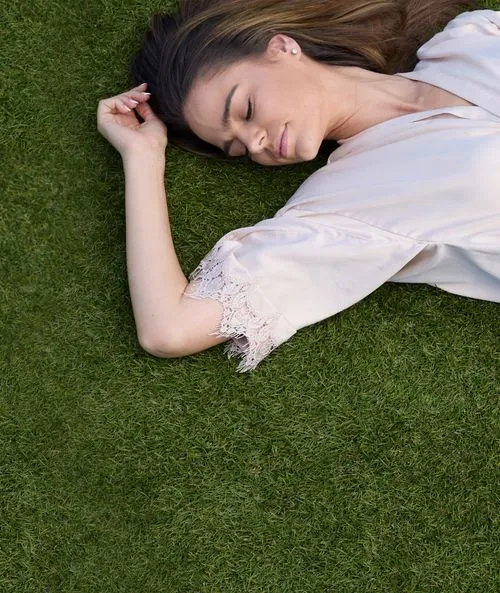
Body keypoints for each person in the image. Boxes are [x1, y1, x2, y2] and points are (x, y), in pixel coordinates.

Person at [97, 0, 499, 372]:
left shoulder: (472, 36)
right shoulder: (342, 203)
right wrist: (143, 158)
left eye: (246, 110)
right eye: (237, 147)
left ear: (282, 47)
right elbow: (168, 329)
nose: (254, 142)